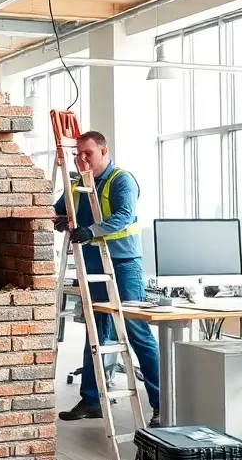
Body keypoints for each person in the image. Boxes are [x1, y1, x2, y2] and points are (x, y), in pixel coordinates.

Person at [54, 131, 163, 428]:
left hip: (122, 264)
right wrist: (58, 220)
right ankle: (91, 400)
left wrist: (90, 231)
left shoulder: (121, 180)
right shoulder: (78, 183)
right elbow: (60, 211)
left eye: (88, 153)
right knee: (95, 333)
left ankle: (161, 405)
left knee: (136, 331)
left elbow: (124, 216)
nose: (82, 159)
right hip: (92, 265)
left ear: (104, 152)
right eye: (78, 154)